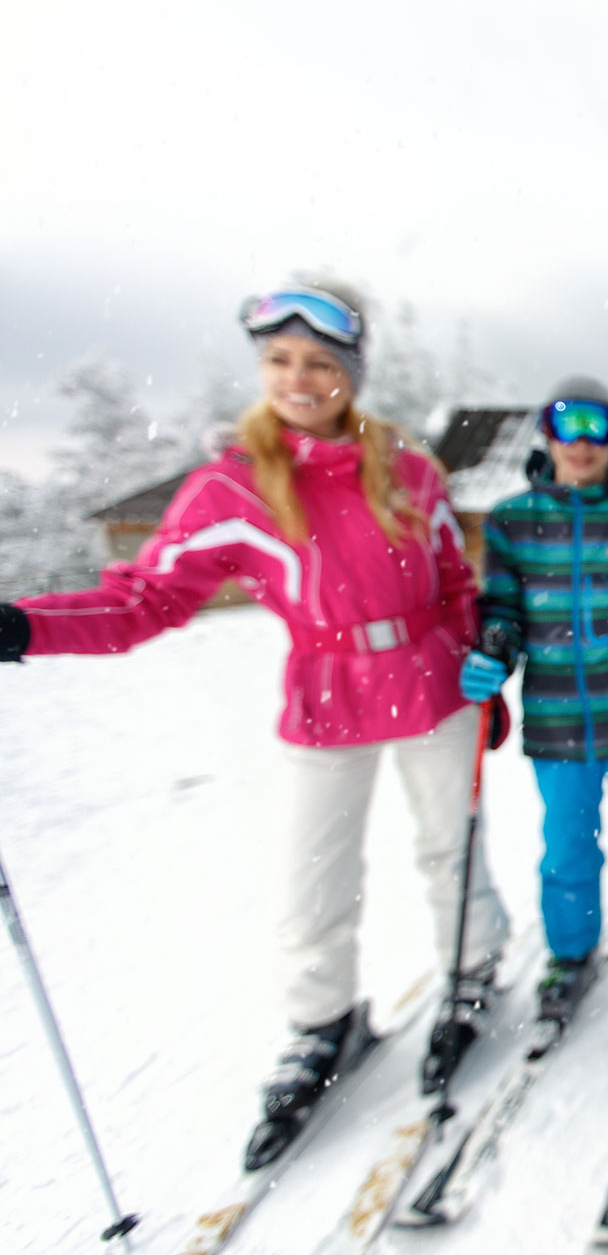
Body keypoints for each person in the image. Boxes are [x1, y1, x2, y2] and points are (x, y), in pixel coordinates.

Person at [0, 280, 511, 1168]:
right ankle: (322, 1024)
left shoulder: (410, 469)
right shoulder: (230, 488)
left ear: (351, 371)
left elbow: (453, 579)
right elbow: (144, 599)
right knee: (315, 873)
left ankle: (470, 976)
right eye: (280, 361)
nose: (299, 379)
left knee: (448, 848)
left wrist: (484, 654)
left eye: (320, 362)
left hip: (433, 681)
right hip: (328, 688)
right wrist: (29, 624)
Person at [460, 376, 608, 1033]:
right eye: (569, 422)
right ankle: (570, 955)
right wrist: (492, 651)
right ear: (548, 432)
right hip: (557, 721)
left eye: (599, 426)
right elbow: (503, 611)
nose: (584, 441)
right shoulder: (513, 522)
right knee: (567, 849)